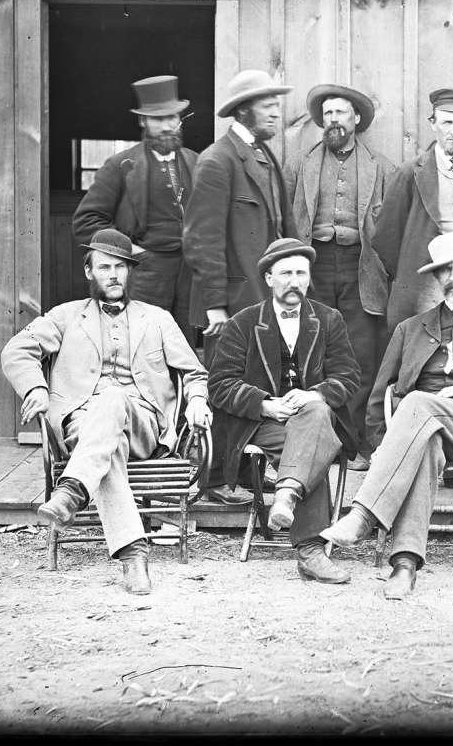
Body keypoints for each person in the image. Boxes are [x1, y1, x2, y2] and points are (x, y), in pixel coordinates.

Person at [320, 232, 453, 599]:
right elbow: (379, 395)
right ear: (436, 278)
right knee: (422, 441)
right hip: (420, 432)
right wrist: (383, 447)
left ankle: (362, 516)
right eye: (445, 271)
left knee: (418, 403)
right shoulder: (411, 328)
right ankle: (404, 567)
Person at [0, 229, 210, 595]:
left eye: (121, 267)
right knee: (107, 442)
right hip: (82, 425)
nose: (113, 274)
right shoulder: (66, 317)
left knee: (113, 397)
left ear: (130, 273)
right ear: (89, 272)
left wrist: (196, 399)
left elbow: (194, 372)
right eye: (105, 267)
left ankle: (72, 489)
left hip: (143, 425)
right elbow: (17, 350)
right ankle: (134, 554)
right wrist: (35, 387)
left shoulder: (157, 318)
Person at [206, 239, 361, 583]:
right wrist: (264, 404)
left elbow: (349, 376)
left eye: (301, 273)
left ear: (309, 278)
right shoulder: (244, 323)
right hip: (263, 424)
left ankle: (286, 495)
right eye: (286, 273)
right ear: (269, 279)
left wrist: (316, 394)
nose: (294, 281)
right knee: (312, 447)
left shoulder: (328, 319)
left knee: (317, 418)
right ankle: (310, 550)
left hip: (316, 418)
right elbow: (219, 384)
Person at [183, 70, 295, 504]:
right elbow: (201, 240)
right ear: (244, 109)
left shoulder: (263, 155)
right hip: (229, 304)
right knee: (225, 389)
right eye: (268, 104)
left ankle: (246, 473)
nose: (276, 111)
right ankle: (213, 481)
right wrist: (214, 306)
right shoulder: (218, 160)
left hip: (261, 300)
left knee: (258, 386)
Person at [286, 83, 395, 471]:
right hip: (313, 267)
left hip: (359, 267)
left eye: (341, 113)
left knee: (360, 355)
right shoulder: (301, 165)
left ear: (357, 119)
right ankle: (315, 443)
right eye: (327, 114)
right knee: (311, 352)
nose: (333, 120)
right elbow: (287, 222)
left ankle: (356, 445)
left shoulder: (381, 166)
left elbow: (392, 230)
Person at [72, 76, 200, 343]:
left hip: (188, 274)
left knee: (182, 347)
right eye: (158, 119)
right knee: (142, 347)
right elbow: (86, 221)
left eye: (173, 118)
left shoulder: (196, 162)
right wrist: (130, 251)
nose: (168, 127)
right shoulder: (120, 165)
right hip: (144, 274)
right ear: (143, 121)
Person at [372, 87, 453, 333]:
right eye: (446, 122)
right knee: (425, 347)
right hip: (425, 281)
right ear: (433, 123)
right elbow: (386, 237)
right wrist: (410, 272)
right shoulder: (410, 172)